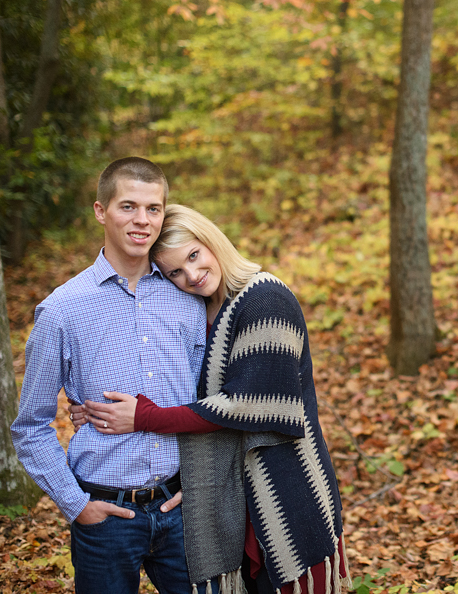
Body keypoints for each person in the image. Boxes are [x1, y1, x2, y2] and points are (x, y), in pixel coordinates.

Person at [72, 204, 349, 594]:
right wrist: (93, 405)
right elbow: (179, 385)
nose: (191, 275)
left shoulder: (265, 299)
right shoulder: (201, 310)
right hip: (233, 494)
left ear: (210, 240)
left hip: (284, 486)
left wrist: (146, 417)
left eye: (193, 255)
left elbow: (249, 404)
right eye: (175, 273)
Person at [11, 158, 207, 594]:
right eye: (128, 206)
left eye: (153, 208)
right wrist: (77, 505)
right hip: (105, 515)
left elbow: (203, 405)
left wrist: (198, 485)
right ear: (101, 211)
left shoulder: (187, 296)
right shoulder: (63, 310)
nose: (142, 220)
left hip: (182, 509)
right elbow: (30, 426)